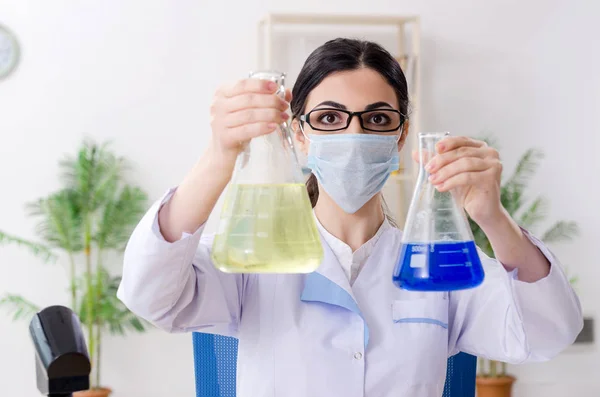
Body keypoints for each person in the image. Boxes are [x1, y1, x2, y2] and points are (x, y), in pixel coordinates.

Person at [117, 38, 583, 397]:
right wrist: (220, 155)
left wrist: (492, 216)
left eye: (378, 119)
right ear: (298, 134)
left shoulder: (437, 265)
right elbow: (151, 294)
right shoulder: (254, 258)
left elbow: (545, 334)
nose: (354, 133)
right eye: (329, 118)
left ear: (401, 138)